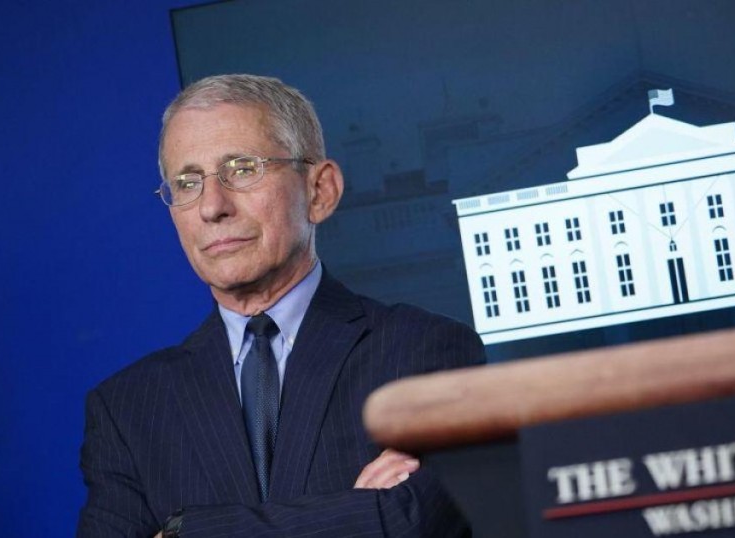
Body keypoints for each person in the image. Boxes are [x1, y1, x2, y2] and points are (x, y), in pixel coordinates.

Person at [78, 74, 485, 537]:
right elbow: (381, 522)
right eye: (187, 182)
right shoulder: (128, 410)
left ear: (319, 191)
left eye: (242, 168)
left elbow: (412, 520)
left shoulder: (425, 351)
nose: (212, 206)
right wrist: (352, 514)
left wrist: (184, 532)